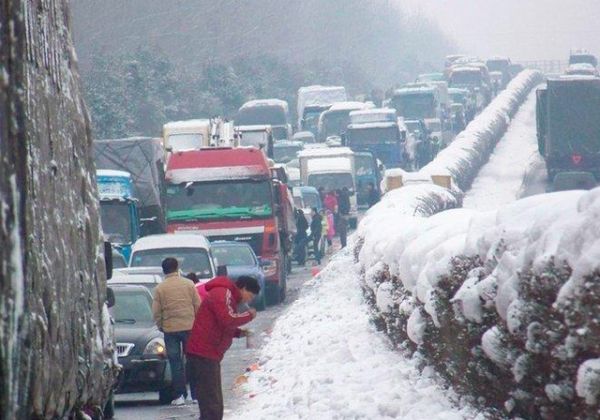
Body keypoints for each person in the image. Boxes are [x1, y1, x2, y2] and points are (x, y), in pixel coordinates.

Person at [186, 276, 259, 420]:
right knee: (211, 402)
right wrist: (249, 315)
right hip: (203, 353)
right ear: (243, 288)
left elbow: (221, 325)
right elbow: (227, 319)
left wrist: (239, 333)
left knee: (212, 401)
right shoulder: (222, 293)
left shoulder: (228, 296)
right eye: (249, 296)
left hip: (209, 354)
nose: (248, 301)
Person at [152, 258, 201, 406]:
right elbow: (197, 304)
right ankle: (195, 395)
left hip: (170, 329)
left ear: (164, 270)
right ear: (177, 268)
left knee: (175, 363)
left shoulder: (160, 288)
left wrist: (161, 325)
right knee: (192, 361)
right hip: (189, 327)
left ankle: (179, 395)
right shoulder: (189, 284)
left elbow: (156, 311)